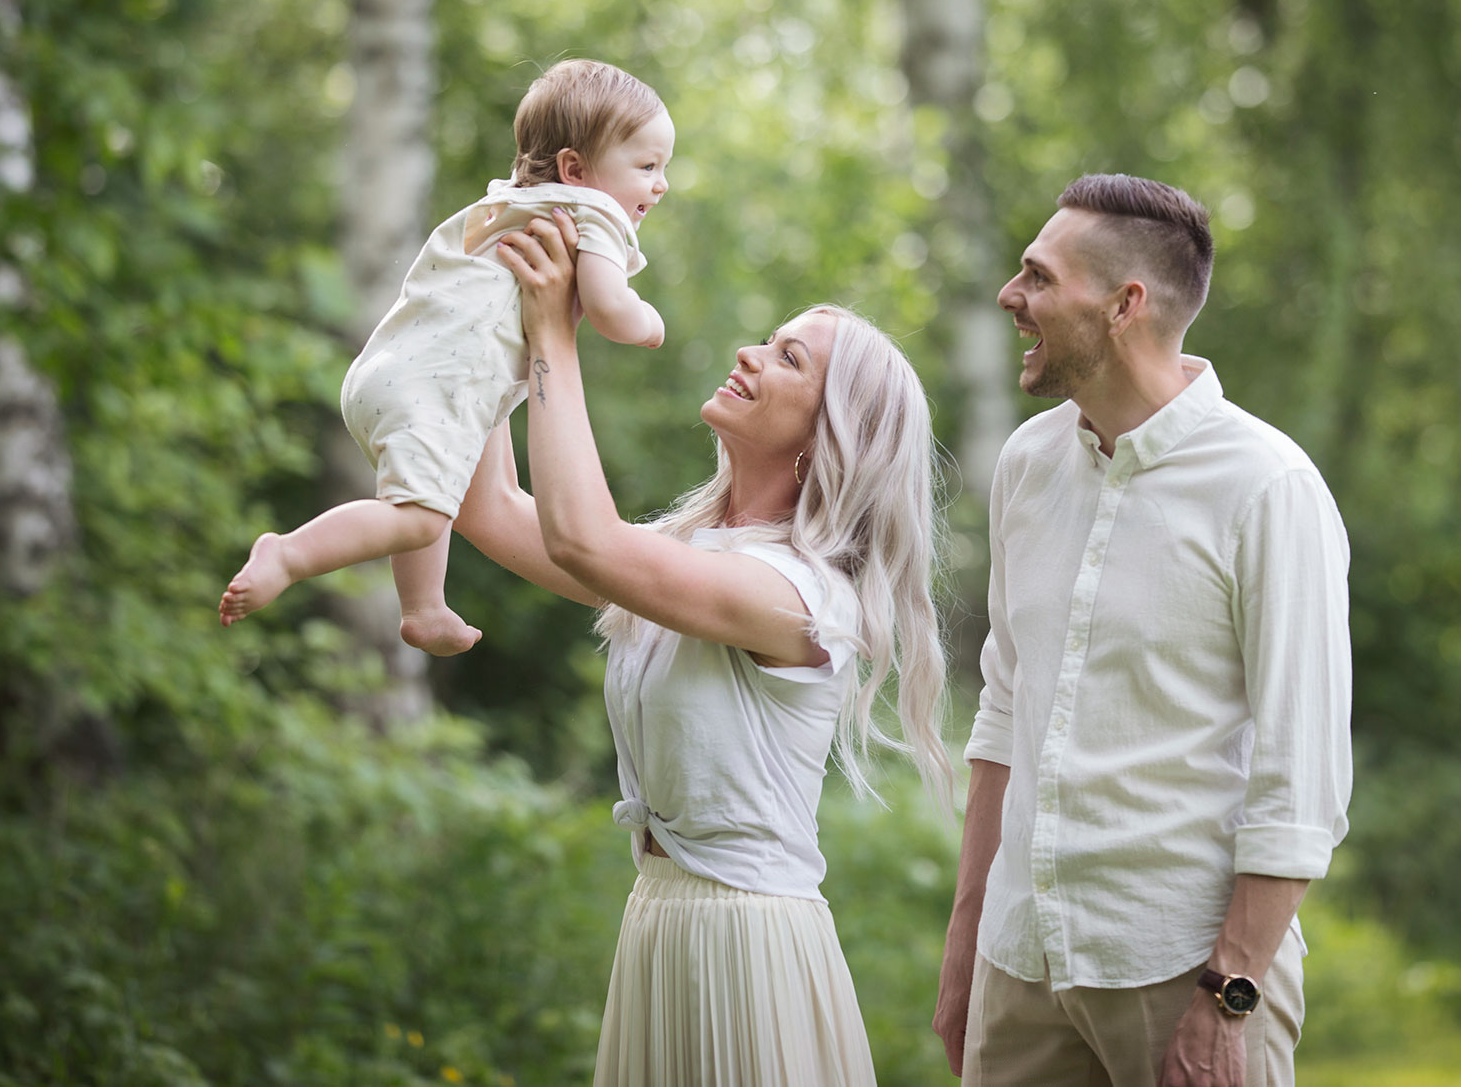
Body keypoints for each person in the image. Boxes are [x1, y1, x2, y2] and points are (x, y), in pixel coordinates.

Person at [462, 209, 955, 1087]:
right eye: (768, 339)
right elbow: (493, 508)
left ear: (825, 438)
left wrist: (554, 331)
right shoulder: (691, 554)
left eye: (787, 357)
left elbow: (583, 539)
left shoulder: (800, 595)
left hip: (746, 946)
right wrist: (492, 321)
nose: (749, 354)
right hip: (658, 922)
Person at [933, 174, 1352, 1087]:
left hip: (1185, 968)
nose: (1012, 296)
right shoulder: (1027, 463)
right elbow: (1005, 713)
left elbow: (1301, 779)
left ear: (1125, 304)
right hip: (1022, 959)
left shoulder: (1268, 487)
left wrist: (1230, 991)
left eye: (1038, 277)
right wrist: (967, 940)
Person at [218, 59, 672, 654]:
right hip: (441, 385)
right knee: (418, 516)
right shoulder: (594, 212)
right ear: (575, 169)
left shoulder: (505, 204)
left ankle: (425, 608)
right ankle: (289, 554)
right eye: (647, 166)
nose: (660, 185)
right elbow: (611, 307)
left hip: (392, 371)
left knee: (435, 494)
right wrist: (648, 323)